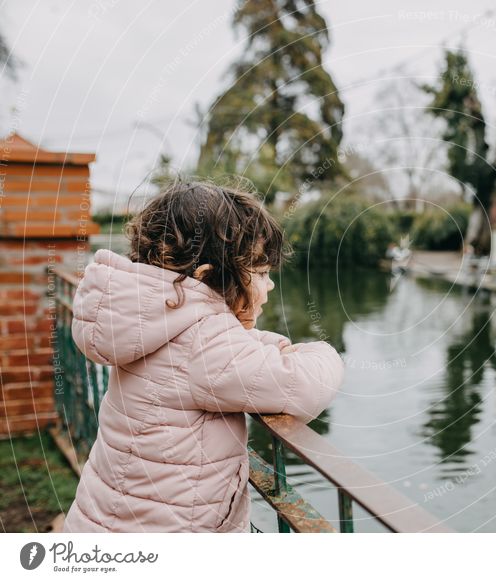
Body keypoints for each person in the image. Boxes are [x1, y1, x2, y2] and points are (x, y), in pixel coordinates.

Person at [62, 180, 344, 532]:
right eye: (262, 273)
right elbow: (302, 386)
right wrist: (326, 352)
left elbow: (224, 350)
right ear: (209, 277)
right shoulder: (204, 343)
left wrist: (258, 342)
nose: (270, 285)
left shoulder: (155, 321)